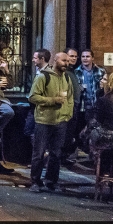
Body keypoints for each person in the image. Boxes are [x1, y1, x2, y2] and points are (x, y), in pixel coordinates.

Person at [28, 52, 73, 193]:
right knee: (39, 153)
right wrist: (53, 100)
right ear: (55, 60)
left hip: (61, 121)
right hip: (44, 120)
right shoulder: (43, 76)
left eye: (68, 61)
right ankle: (35, 181)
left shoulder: (67, 77)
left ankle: (51, 181)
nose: (66, 63)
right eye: (64, 60)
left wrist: (68, 114)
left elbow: (70, 98)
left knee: (56, 153)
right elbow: (33, 97)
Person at [61, 48, 84, 164]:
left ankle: (65, 156)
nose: (74, 58)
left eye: (75, 56)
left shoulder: (72, 71)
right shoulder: (64, 72)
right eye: (71, 56)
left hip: (75, 105)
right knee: (65, 133)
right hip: (68, 106)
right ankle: (61, 158)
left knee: (70, 133)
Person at [74, 49, 106, 123]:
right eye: (83, 56)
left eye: (87, 56)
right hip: (82, 107)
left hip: (97, 106)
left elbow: (106, 88)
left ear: (92, 58)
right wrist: (78, 88)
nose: (85, 58)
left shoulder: (101, 70)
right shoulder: (76, 72)